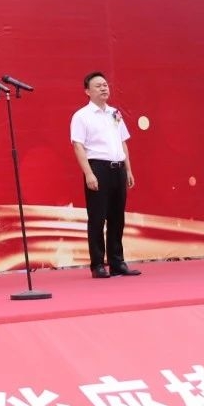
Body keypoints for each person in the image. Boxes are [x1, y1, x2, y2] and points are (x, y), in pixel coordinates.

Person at [70, 71, 141, 279]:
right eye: (98, 86)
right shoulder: (82, 116)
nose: (103, 88)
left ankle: (117, 262)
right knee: (97, 218)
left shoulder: (114, 113)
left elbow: (122, 142)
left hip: (118, 168)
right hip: (98, 168)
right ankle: (98, 264)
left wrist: (128, 169)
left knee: (117, 217)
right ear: (87, 91)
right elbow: (78, 146)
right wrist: (89, 173)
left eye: (105, 85)